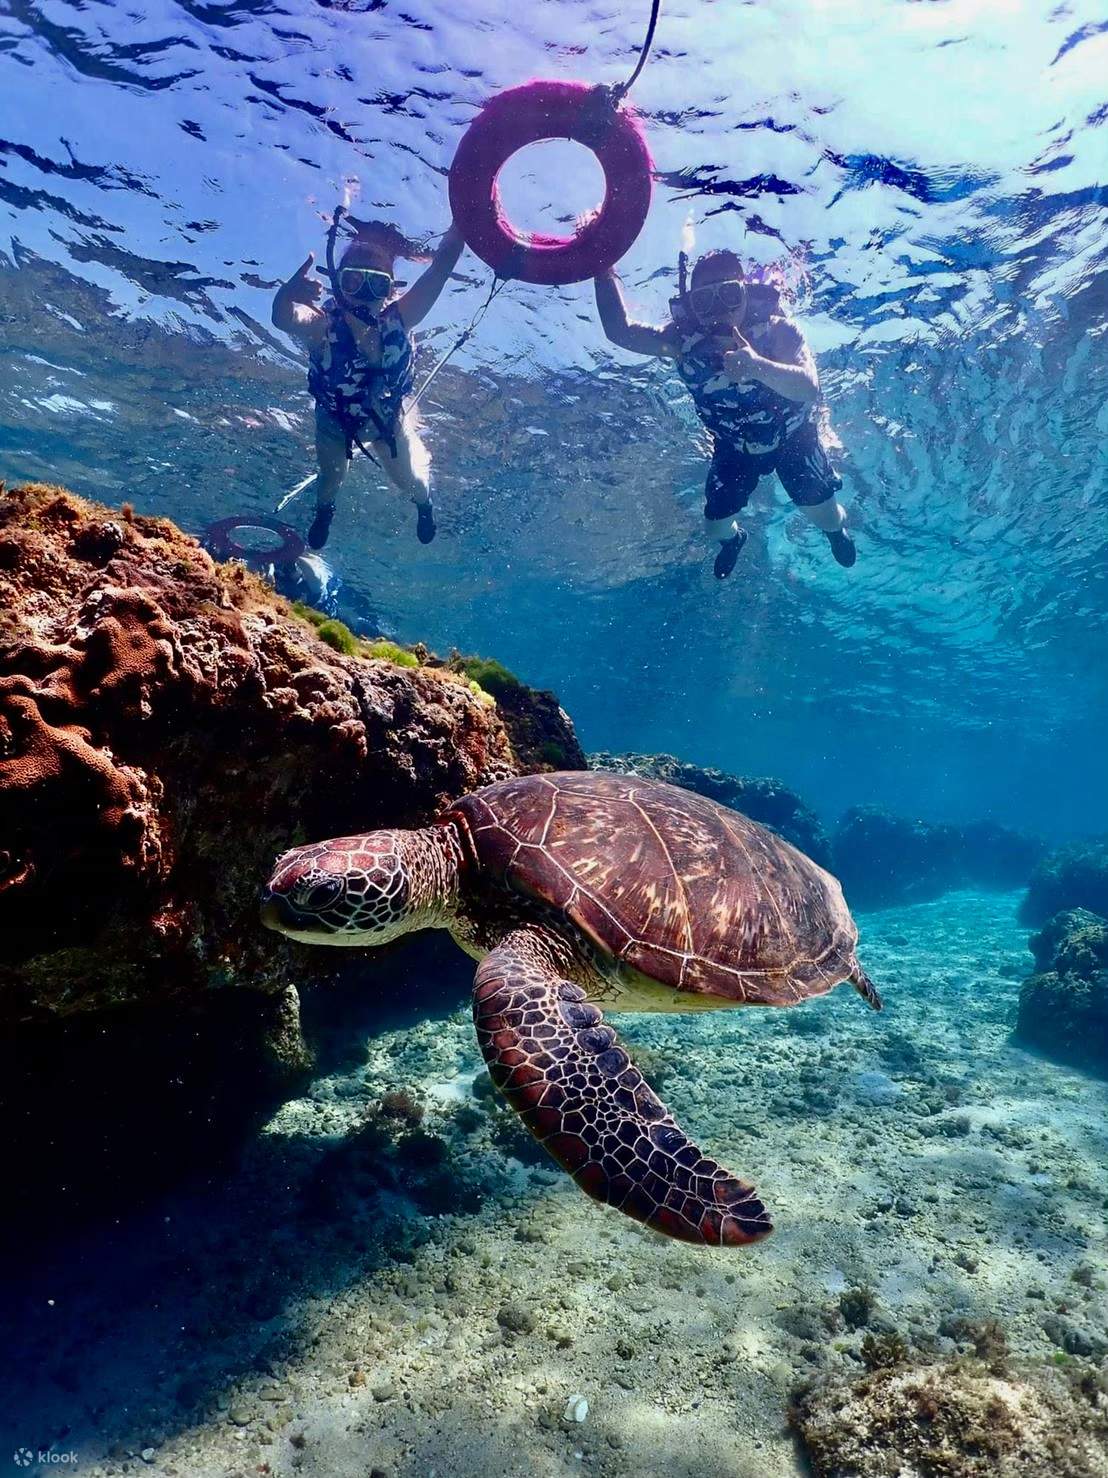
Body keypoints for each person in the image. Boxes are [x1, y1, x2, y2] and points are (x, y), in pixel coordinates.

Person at [594, 248, 856, 578]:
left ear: (746, 293)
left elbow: (807, 388)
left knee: (828, 517)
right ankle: (733, 540)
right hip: (733, 448)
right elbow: (620, 331)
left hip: (793, 438)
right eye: (705, 300)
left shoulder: (779, 332)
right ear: (691, 305)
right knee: (714, 528)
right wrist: (601, 263)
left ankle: (835, 532)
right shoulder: (681, 341)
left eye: (729, 294)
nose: (719, 309)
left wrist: (757, 366)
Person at [272, 216, 465, 551]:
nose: (364, 295)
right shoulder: (322, 326)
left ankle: (424, 505)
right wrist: (285, 297)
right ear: (337, 285)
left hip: (387, 424)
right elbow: (285, 319)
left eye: (375, 285)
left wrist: (466, 214)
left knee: (411, 482)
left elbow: (442, 265)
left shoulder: (401, 318)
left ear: (390, 291)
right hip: (333, 424)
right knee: (331, 478)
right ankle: (325, 510)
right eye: (354, 282)